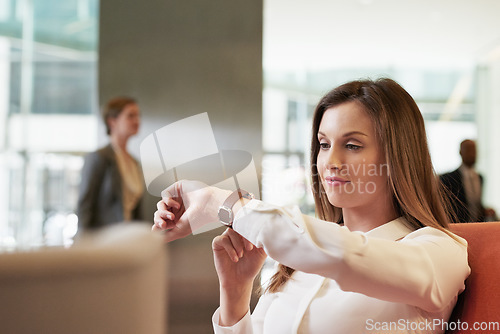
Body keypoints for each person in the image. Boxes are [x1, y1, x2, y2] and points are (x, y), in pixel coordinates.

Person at [153, 79, 470, 333]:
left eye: (352, 145)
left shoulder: (441, 252)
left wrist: (221, 203)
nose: (330, 162)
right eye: (323, 144)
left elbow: (348, 257)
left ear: (396, 157)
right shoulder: (298, 261)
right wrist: (235, 296)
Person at [77, 96, 144, 230]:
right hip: (102, 243)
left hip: (128, 240)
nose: (137, 121)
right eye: (130, 116)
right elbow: (85, 206)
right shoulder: (98, 158)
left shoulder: (134, 162)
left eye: (138, 116)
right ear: (112, 121)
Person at [440, 139, 496, 223]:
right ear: (460, 152)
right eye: (468, 150)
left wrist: (485, 211)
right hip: (458, 227)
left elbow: (476, 205)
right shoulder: (449, 178)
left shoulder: (480, 178)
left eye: (474, 150)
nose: (472, 154)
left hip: (477, 226)